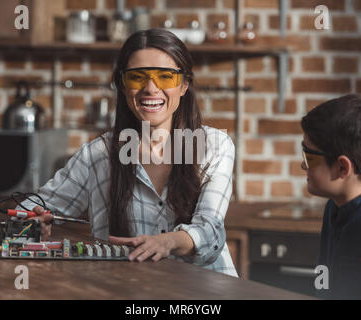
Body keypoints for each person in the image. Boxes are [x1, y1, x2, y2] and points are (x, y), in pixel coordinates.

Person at [21, 28, 238, 277]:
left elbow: (210, 230)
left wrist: (168, 242)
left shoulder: (215, 145)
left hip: (208, 295)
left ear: (184, 84)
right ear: (123, 86)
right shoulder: (97, 156)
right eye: (137, 77)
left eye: (165, 77)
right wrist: (33, 221)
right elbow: (34, 208)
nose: (151, 88)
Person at [301, 94, 361, 299]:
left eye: (308, 157)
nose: (303, 165)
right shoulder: (333, 207)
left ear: (342, 167)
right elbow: (324, 274)